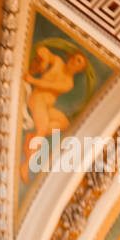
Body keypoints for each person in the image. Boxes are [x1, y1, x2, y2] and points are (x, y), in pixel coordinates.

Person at [21, 45, 88, 181]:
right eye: (75, 58)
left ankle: (33, 136)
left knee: (64, 123)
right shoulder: (57, 62)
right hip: (37, 99)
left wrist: (33, 80)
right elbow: (42, 50)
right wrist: (45, 60)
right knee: (43, 127)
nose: (74, 61)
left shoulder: (69, 83)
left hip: (47, 107)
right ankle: (25, 165)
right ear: (71, 58)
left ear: (78, 70)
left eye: (78, 62)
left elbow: (51, 86)